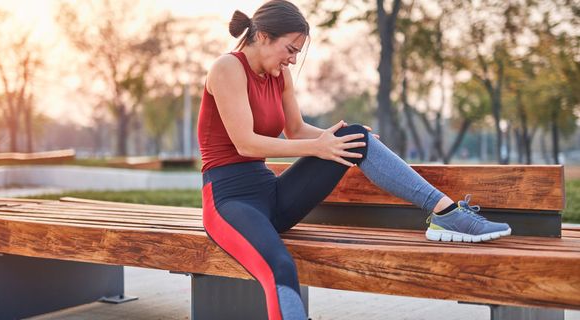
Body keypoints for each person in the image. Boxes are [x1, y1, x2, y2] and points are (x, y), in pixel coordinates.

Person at [197, 1, 511, 319]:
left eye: (297, 52)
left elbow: (295, 131)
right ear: (262, 36)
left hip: (273, 197)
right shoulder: (227, 68)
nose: (293, 59)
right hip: (230, 203)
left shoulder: (280, 77)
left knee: (356, 136)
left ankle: (447, 213)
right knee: (279, 267)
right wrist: (319, 147)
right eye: (290, 49)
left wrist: (341, 141)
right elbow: (246, 143)